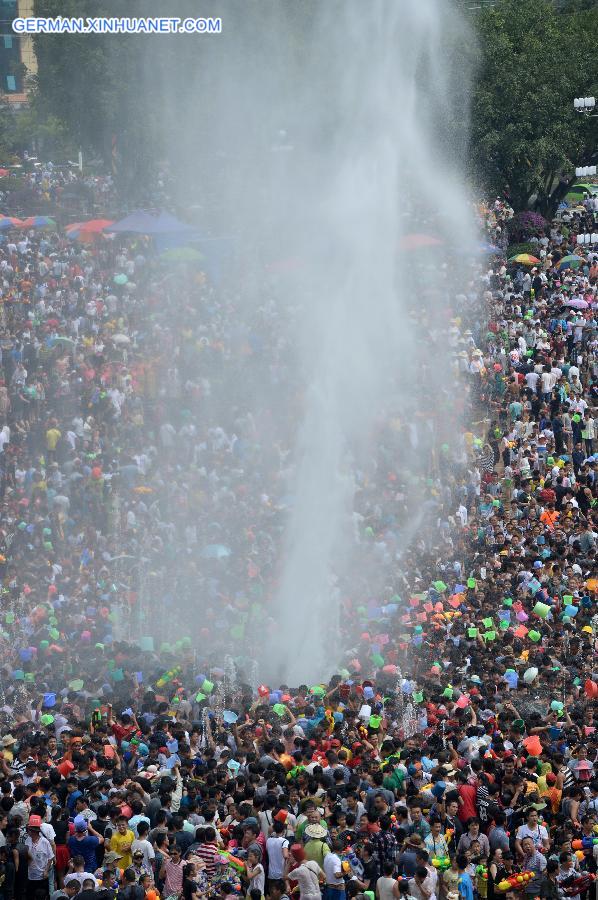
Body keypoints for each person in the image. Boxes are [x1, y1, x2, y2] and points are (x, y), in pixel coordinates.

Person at [25, 815, 54, 900]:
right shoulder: (27, 841)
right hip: (30, 876)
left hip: (42, 877)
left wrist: (46, 870)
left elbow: (50, 857)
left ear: (33, 831)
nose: (28, 831)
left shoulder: (45, 842)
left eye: (29, 830)